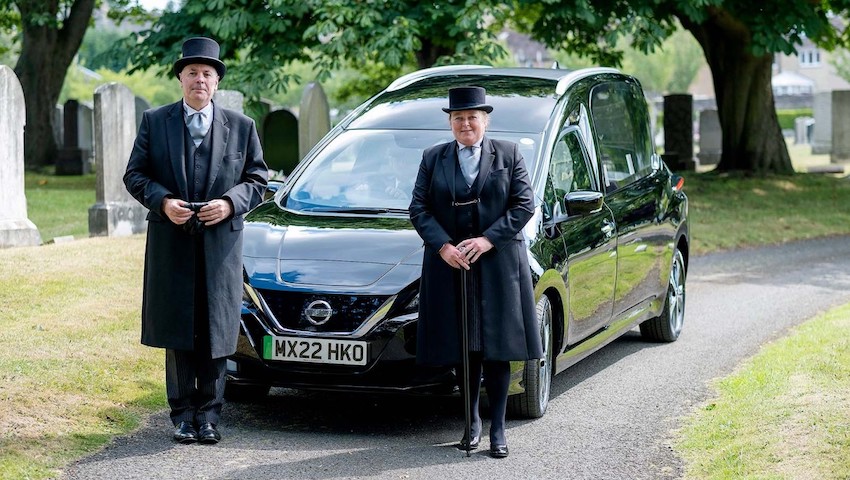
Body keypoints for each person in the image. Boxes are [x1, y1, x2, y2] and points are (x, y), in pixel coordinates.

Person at [123, 37, 268, 445]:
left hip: (221, 245)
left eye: (207, 74)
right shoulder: (156, 121)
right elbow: (134, 175)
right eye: (192, 73)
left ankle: (210, 415)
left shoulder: (242, 127)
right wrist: (164, 201)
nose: (199, 80)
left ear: (217, 82)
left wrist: (228, 203)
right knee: (179, 327)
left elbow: (258, 180)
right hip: (172, 242)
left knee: (217, 327)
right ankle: (182, 414)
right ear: (181, 79)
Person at [409, 86, 543, 458]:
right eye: (458, 118)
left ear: (485, 120)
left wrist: (487, 240)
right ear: (450, 123)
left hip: (499, 263)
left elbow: (524, 204)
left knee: (497, 350)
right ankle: (470, 425)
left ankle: (498, 429)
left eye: (471, 117)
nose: (465, 124)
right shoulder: (433, 157)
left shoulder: (510, 153)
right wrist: (443, 247)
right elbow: (418, 208)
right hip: (451, 266)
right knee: (462, 349)